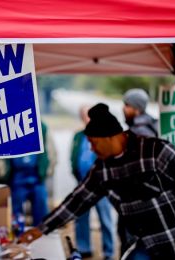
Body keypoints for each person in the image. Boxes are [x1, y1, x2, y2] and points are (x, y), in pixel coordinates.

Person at [19, 103, 175, 260]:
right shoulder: (102, 170)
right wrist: (40, 229)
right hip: (149, 247)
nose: (92, 149)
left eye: (93, 142)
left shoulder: (156, 151)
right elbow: (76, 202)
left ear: (110, 137)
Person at [70, 106, 114, 259]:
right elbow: (74, 155)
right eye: (84, 115)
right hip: (83, 184)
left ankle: (109, 252)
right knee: (81, 219)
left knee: (105, 220)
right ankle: (84, 248)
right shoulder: (78, 136)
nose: (87, 118)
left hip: (101, 186)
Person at [119, 88, 159, 255]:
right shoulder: (152, 125)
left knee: (133, 248)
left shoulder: (139, 133)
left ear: (137, 108)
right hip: (147, 204)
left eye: (126, 105)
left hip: (138, 204)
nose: (123, 108)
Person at [0, 122, 55, 226]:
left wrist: (48, 170)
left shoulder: (42, 127)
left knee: (41, 210)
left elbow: (51, 151)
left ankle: (41, 234)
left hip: (37, 176)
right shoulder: (8, 125)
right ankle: (17, 236)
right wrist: (2, 171)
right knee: (16, 212)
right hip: (17, 176)